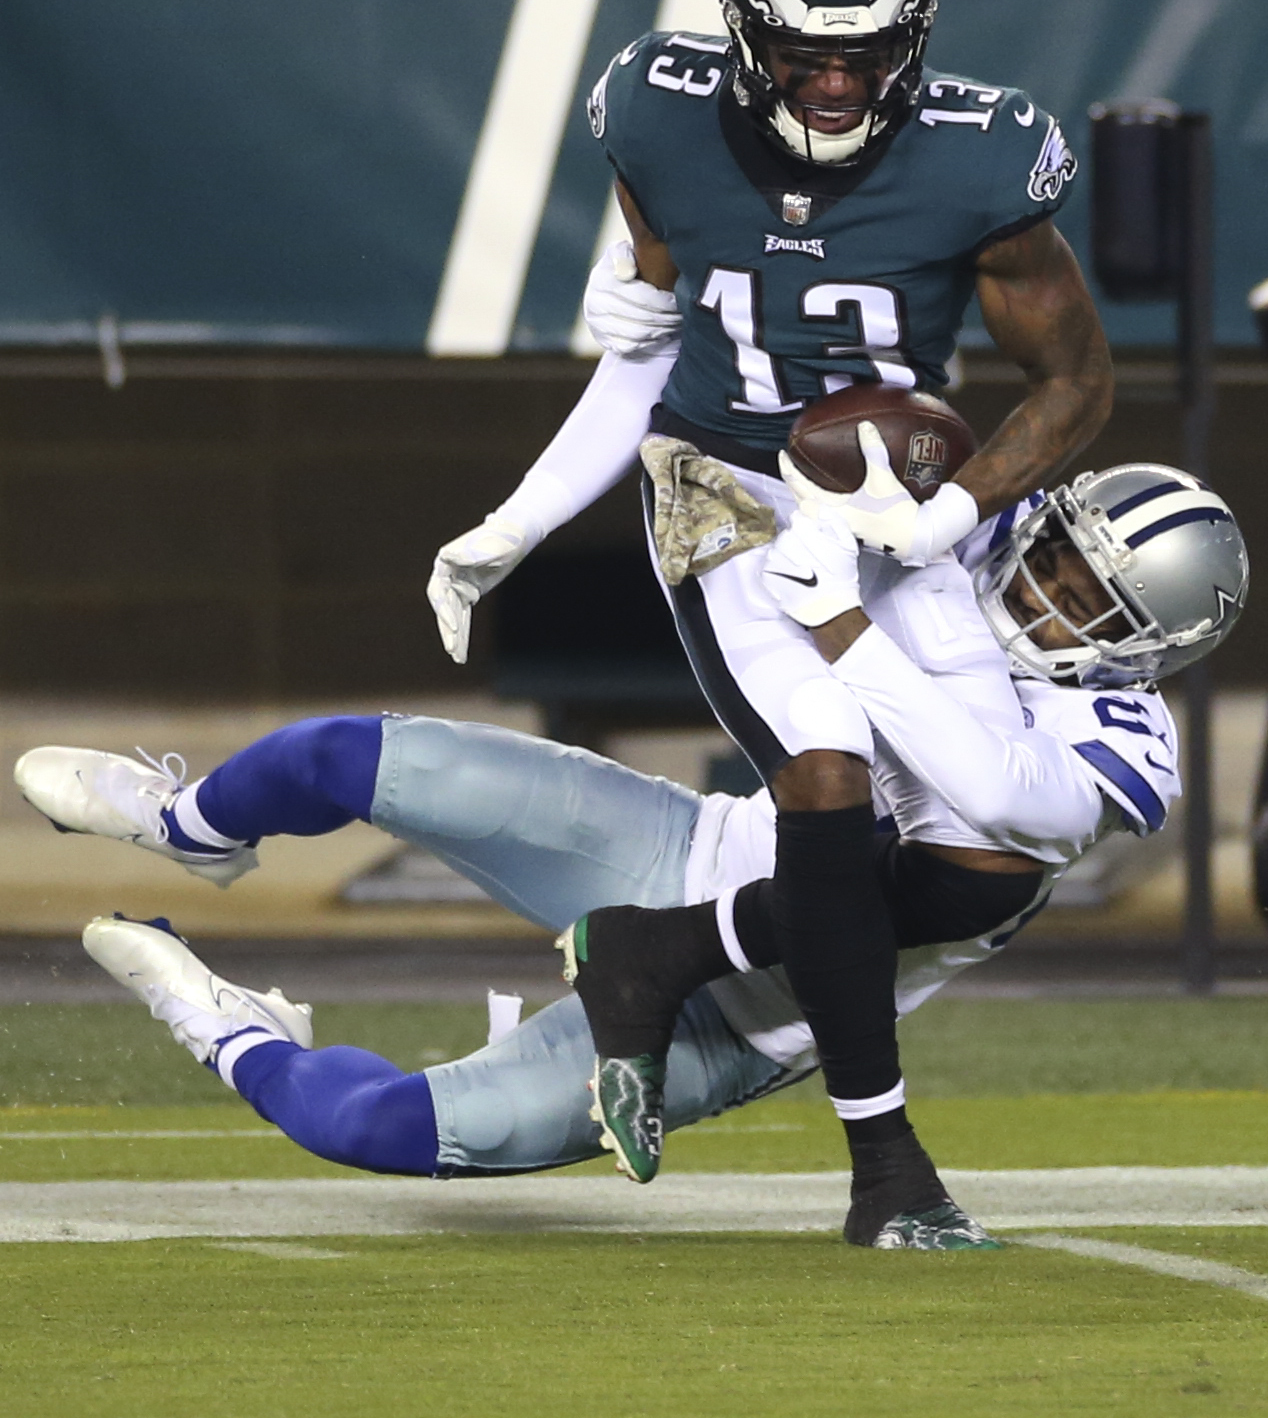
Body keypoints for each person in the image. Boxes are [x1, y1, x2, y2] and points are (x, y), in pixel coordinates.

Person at [17, 460, 1245, 1248]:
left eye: (1088, 601)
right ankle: (194, 829)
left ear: (1151, 648)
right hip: (685, 838)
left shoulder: (1120, 748)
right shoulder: (953, 544)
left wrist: (842, 626)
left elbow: (989, 787)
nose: (1039, 596)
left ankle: (229, 1024)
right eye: (1052, 559)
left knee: (381, 1135)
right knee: (351, 754)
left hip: (747, 1009)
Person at [426, 0, 1115, 1240]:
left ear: (912, 38)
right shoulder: (658, 113)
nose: (837, 83)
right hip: (718, 480)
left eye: (864, 54)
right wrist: (516, 521)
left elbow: (1077, 386)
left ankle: (662, 949)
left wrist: (939, 518)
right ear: (744, 28)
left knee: (999, 849)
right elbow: (642, 351)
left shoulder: (986, 156)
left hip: (893, 496)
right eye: (804, 51)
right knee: (826, 775)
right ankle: (886, 1164)